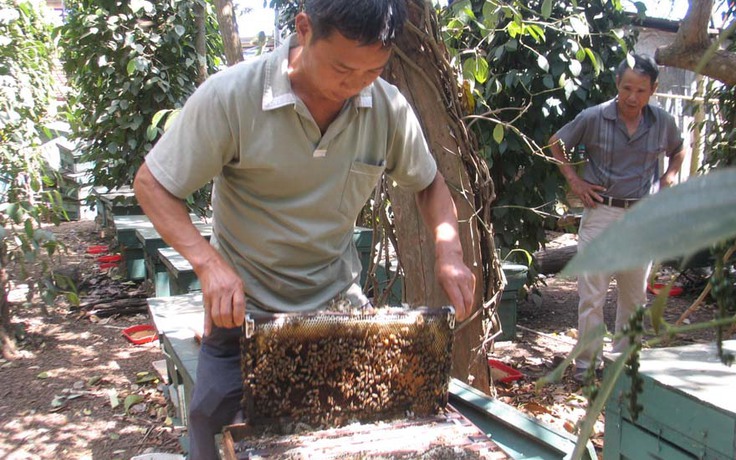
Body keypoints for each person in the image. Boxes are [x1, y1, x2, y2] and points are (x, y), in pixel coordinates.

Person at [133, 1, 476, 458]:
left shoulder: (387, 108)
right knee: (211, 423)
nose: (354, 86)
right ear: (304, 29)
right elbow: (152, 184)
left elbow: (430, 183)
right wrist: (209, 265)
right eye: (341, 68)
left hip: (340, 313)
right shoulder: (232, 96)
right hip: (244, 319)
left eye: (372, 70)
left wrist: (449, 253)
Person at [549, 53, 685, 382]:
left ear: (653, 89)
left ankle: (621, 368)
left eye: (640, 90)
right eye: (627, 89)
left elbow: (678, 149)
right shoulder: (594, 117)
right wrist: (575, 181)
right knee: (592, 295)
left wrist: (668, 177)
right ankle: (586, 369)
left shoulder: (662, 122)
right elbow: (556, 142)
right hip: (601, 213)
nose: (632, 97)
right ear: (617, 85)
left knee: (634, 296)